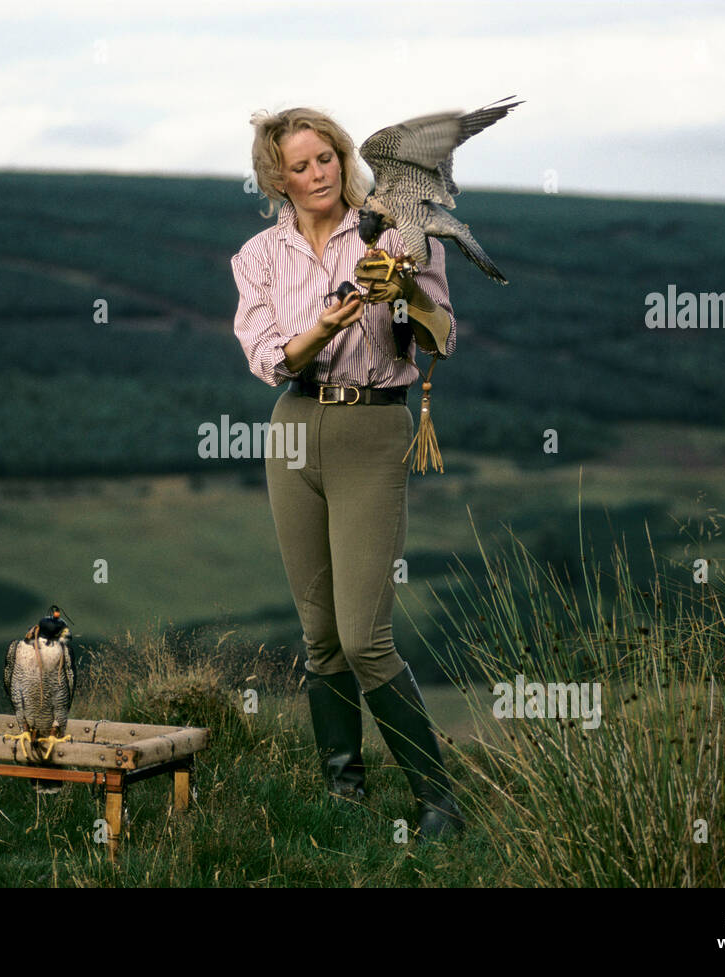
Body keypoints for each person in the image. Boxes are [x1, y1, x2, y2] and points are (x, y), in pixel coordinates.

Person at [231, 107, 465, 840]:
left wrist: (405, 294)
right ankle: (344, 797)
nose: (316, 173)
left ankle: (440, 804)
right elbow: (269, 358)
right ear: (278, 179)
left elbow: (444, 336)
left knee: (365, 637)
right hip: (295, 427)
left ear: (342, 157)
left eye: (325, 157)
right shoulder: (257, 256)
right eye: (299, 166)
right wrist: (323, 329)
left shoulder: (393, 229)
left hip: (372, 425)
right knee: (321, 635)